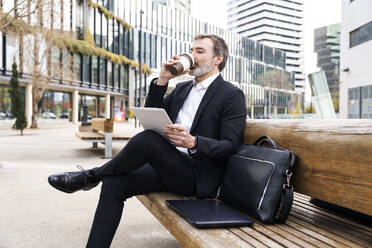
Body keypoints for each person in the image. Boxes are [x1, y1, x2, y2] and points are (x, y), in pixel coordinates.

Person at [48, 34, 247, 248]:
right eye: (192, 50)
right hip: (169, 166)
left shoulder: (231, 95)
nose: (192, 55)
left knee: (148, 140)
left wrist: (194, 142)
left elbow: (230, 146)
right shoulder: (182, 89)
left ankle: (90, 176)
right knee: (114, 183)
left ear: (217, 59)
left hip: (198, 177)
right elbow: (153, 112)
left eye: (200, 51)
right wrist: (162, 79)